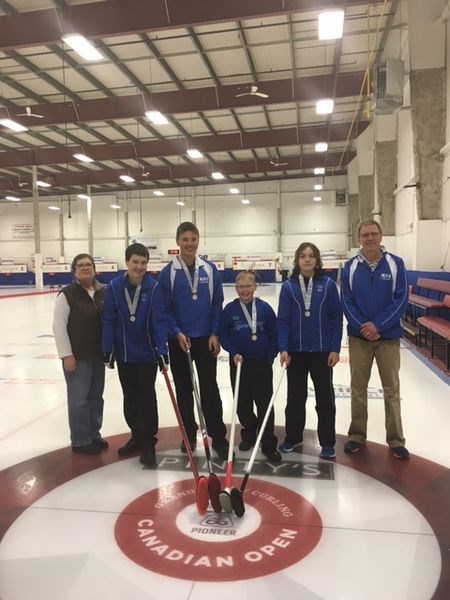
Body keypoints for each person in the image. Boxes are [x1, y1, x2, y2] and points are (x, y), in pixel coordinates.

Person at [158, 222, 230, 459]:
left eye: (193, 239)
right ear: (177, 241)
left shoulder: (210, 270)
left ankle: (218, 436)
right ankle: (189, 433)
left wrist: (214, 333)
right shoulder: (167, 273)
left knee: (210, 388)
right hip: (179, 341)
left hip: (205, 340)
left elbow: (217, 304)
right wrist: (177, 332)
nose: (189, 244)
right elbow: (165, 309)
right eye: (185, 239)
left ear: (199, 241)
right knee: (184, 390)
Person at [341, 219, 410, 459]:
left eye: (374, 234)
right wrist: (364, 328)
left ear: (381, 237)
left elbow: (401, 300)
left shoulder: (395, 264)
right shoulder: (349, 267)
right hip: (359, 339)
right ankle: (357, 435)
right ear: (358, 238)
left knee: (391, 390)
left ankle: (396, 439)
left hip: (388, 338)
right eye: (365, 234)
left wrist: (378, 325)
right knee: (358, 389)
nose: (369, 238)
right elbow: (346, 302)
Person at [101, 243, 168, 467]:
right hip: (125, 354)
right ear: (126, 262)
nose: (139, 267)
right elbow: (108, 320)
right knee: (130, 397)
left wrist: (162, 350)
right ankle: (136, 436)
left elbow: (159, 321)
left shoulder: (155, 287)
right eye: (135, 262)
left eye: (143, 262)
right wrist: (107, 348)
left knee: (147, 398)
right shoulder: (113, 288)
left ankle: (148, 441)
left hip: (147, 354)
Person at [277, 242, 342, 459]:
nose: (307, 259)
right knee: (295, 397)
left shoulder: (329, 285)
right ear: (296, 260)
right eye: (303, 256)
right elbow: (283, 320)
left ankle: (327, 442)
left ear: (317, 260)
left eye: (311, 256)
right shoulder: (288, 287)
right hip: (296, 352)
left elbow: (335, 318)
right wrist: (283, 348)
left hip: (322, 351)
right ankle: (293, 436)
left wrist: (334, 348)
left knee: (325, 398)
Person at [219, 271, 281, 463]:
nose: (245, 290)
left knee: (265, 405)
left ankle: (268, 443)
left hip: (262, 364)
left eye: (248, 286)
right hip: (239, 363)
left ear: (255, 287)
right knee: (243, 404)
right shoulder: (229, 310)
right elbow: (223, 335)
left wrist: (270, 357)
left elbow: (274, 334)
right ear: (236, 288)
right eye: (241, 287)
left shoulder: (265, 309)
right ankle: (250, 435)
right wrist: (232, 352)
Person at [53, 253, 107, 455]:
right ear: (74, 270)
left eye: (88, 264)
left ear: (94, 268)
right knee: (79, 400)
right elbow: (59, 326)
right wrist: (67, 355)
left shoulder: (102, 292)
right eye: (80, 265)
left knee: (95, 398)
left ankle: (94, 434)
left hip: (97, 356)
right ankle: (80, 440)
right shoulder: (67, 294)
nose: (85, 268)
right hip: (77, 358)